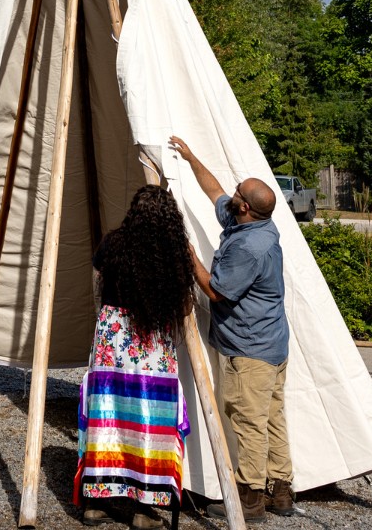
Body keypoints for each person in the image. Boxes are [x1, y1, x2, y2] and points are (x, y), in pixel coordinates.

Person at [168, 136, 295, 524]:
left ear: (244, 207)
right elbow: (215, 192)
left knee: (248, 421)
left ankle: (251, 497)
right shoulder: (254, 222)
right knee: (272, 416)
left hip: (250, 348)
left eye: (238, 193)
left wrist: (189, 256)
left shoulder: (248, 248)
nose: (232, 194)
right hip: (272, 342)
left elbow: (216, 291)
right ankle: (281, 489)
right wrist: (191, 158)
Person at [74, 185, 196, 529]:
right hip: (152, 343)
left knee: (106, 416)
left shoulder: (113, 243)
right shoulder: (173, 253)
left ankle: (96, 502)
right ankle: (144, 509)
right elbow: (185, 305)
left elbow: (98, 285)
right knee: (150, 421)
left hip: (112, 339)